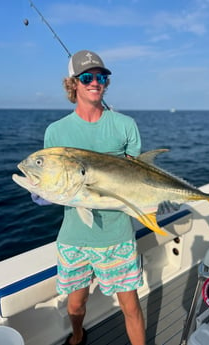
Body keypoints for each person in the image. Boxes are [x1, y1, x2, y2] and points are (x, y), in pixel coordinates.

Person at [39, 50, 145, 345]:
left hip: (118, 234)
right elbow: (51, 179)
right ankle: (77, 336)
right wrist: (44, 193)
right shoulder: (56, 131)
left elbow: (138, 176)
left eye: (101, 76)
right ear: (73, 84)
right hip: (74, 238)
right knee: (75, 306)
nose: (95, 82)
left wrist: (154, 200)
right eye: (87, 77)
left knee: (132, 307)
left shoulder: (125, 126)